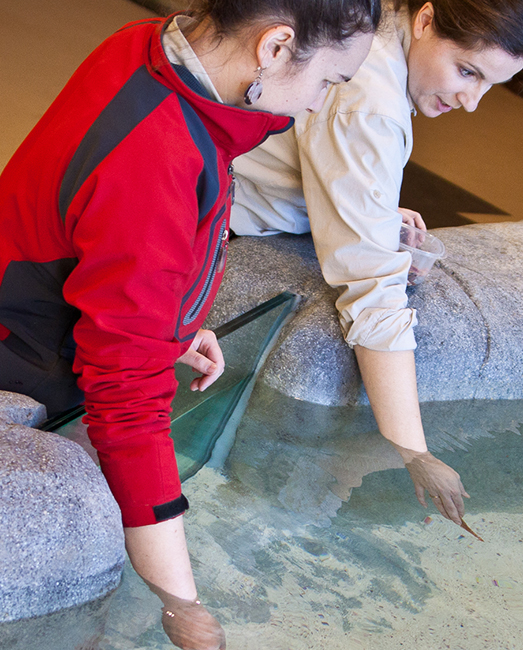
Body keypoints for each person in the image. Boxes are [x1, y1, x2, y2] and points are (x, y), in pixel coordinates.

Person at [0, 1, 380, 647]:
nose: (318, 104)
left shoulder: (146, 47)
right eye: (329, 82)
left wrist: (172, 321)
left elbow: (100, 235)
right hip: (24, 357)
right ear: (275, 47)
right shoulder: (158, 159)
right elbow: (125, 404)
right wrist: (182, 604)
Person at [230, 0, 523, 527]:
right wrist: (414, 453)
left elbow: (315, 143)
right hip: (215, 218)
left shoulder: (373, 33)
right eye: (467, 71)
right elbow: (372, 291)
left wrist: (373, 211)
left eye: (490, 84)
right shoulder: (370, 100)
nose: (471, 102)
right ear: (425, 20)